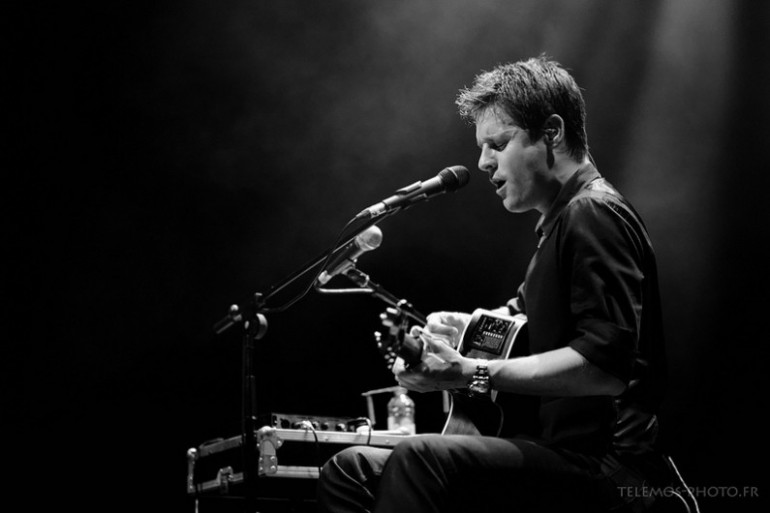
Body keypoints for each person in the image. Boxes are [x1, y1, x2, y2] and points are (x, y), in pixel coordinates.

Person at [316, 55, 673, 513]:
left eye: (498, 144)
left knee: (420, 458)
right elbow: (519, 320)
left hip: (608, 469)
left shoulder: (592, 213)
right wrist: (456, 331)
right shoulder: (559, 225)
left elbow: (604, 366)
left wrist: (471, 372)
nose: (483, 162)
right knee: (351, 469)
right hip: (560, 456)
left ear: (552, 132)